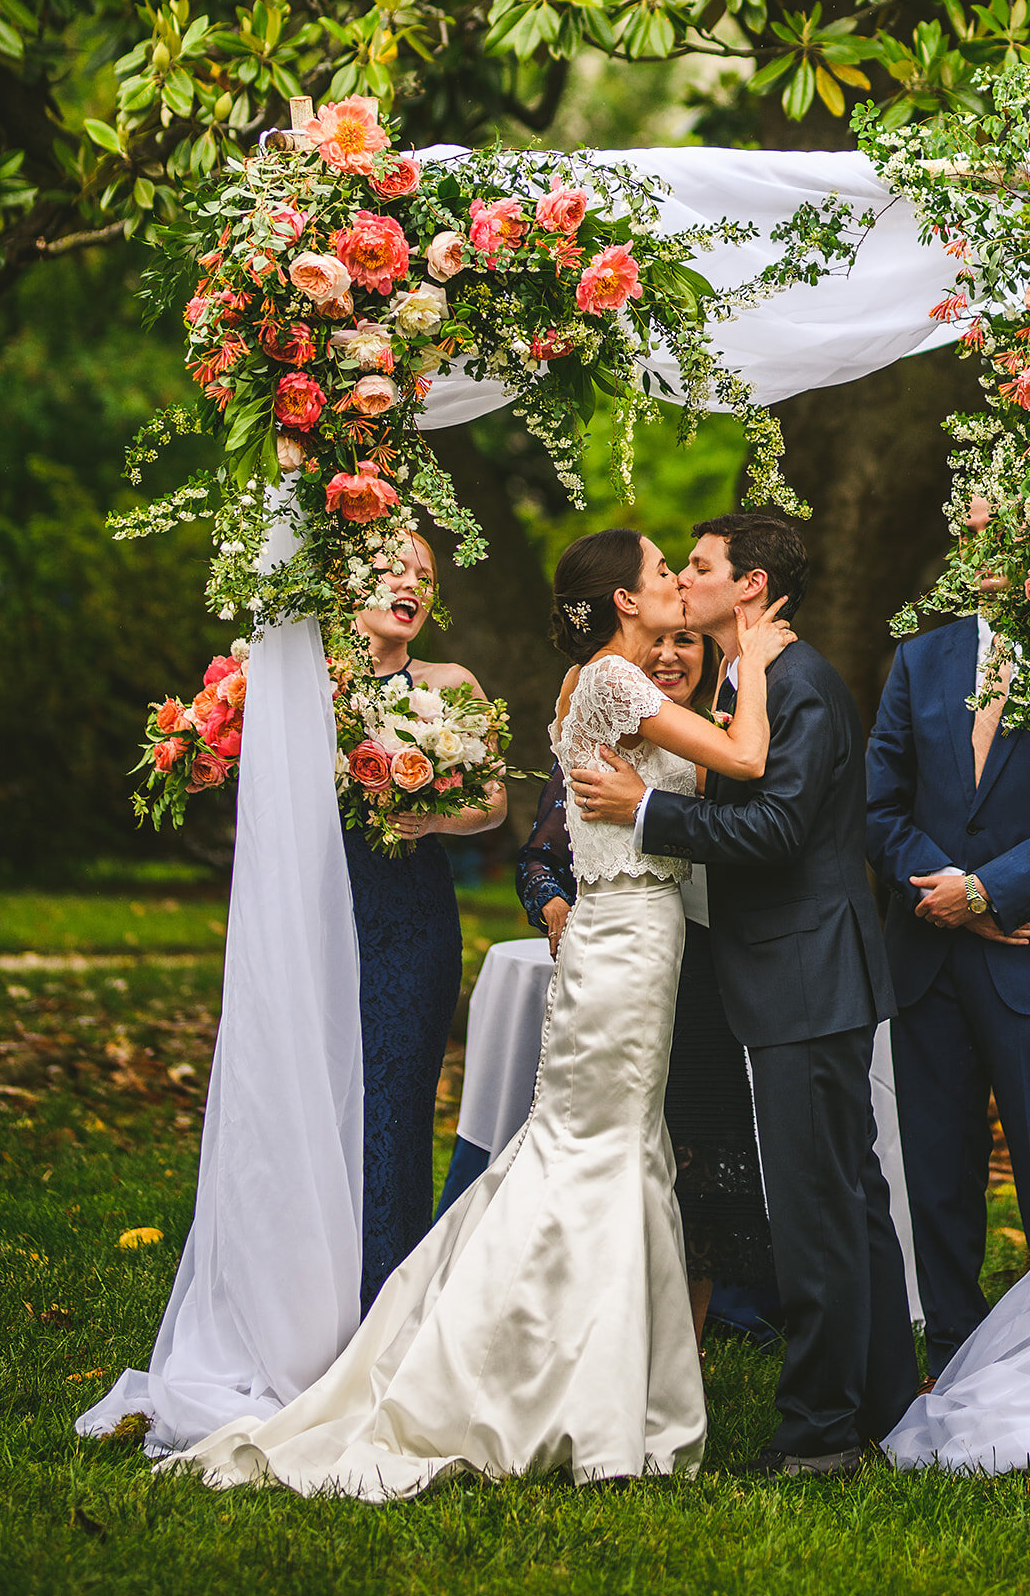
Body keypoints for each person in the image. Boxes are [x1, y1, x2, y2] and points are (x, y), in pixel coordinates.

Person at [164, 528, 796, 1495]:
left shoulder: (611, 687)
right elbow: (747, 760)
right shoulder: (614, 685)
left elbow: (695, 781)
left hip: (638, 940)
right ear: (625, 601)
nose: (675, 585)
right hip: (621, 942)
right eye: (662, 573)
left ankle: (600, 1377)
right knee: (589, 1153)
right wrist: (751, 658)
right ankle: (517, 1372)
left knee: (610, 1151)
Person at [570, 512, 919, 1479]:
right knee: (846, 1201)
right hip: (791, 969)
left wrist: (644, 812)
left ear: (752, 586)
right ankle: (884, 1403)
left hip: (807, 973)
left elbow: (772, 831)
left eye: (702, 566)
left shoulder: (798, 682)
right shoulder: (748, 678)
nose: (684, 579)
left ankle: (818, 1435)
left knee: (819, 1210)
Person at [445, 628, 774, 1343]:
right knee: (623, 1140)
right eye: (656, 642)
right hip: (632, 959)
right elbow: (541, 855)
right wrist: (556, 906)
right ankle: (578, 1320)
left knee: (701, 1152)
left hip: (715, 957)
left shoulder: (723, 724)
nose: (668, 656)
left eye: (685, 641)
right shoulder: (604, 721)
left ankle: (678, 1337)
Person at [865, 589, 1030, 1377]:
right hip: (928, 957)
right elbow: (879, 805)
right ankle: (953, 1347)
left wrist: (989, 892)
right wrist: (949, 896)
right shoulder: (923, 658)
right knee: (937, 1166)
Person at [347, 530, 508, 1311]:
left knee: (398, 1107)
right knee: (321, 1101)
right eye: (397, 569)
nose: (415, 584)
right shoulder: (307, 683)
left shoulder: (450, 684)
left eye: (427, 576)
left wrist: (433, 818)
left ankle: (385, 1301)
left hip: (412, 921)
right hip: (325, 911)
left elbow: (496, 803)